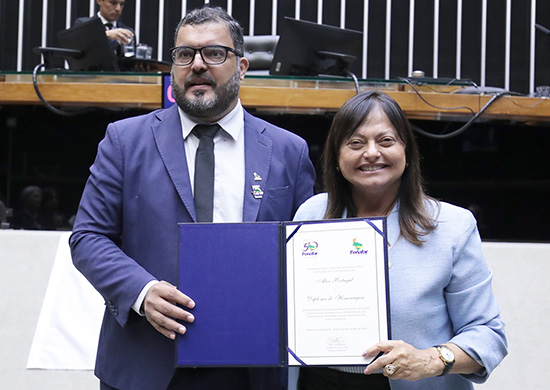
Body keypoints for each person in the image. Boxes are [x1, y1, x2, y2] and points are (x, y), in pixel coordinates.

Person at [70, 6, 316, 390]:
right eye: (185, 54)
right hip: (145, 363)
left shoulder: (289, 151)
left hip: (252, 369)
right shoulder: (123, 141)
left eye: (214, 53)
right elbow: (87, 238)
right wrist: (142, 291)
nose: (197, 65)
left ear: (243, 65)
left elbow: (307, 254)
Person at [293, 91, 507, 390]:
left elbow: (487, 334)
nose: (371, 153)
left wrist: (430, 360)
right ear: (337, 157)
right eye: (355, 143)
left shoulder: (452, 226)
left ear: (407, 152)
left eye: (386, 141)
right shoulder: (311, 214)